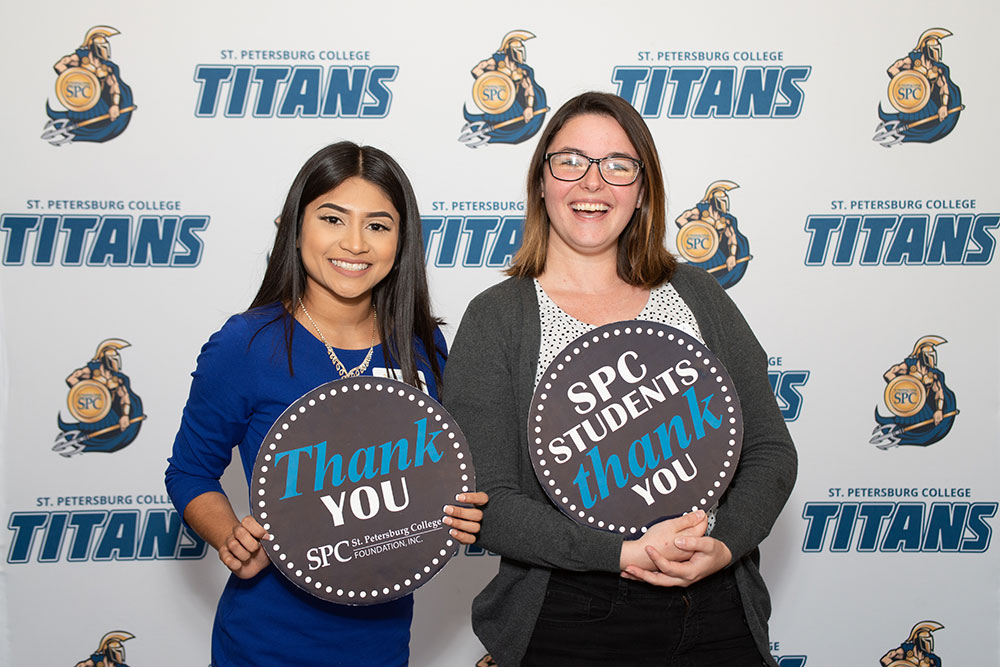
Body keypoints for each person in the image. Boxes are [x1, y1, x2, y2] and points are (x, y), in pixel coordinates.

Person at [444, 92, 796, 666]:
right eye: (571, 161)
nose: (592, 183)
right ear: (541, 181)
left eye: (617, 165)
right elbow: (491, 504)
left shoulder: (696, 294)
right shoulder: (497, 317)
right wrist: (623, 551)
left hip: (716, 606)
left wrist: (725, 543)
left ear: (642, 190)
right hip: (570, 610)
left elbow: (769, 449)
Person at [165, 142, 487, 666]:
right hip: (264, 645)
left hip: (382, 643)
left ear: (401, 242)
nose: (355, 244)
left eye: (378, 225)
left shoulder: (422, 347)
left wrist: (462, 509)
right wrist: (230, 538)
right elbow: (189, 472)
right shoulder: (247, 345)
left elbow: (437, 476)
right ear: (296, 228)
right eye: (333, 218)